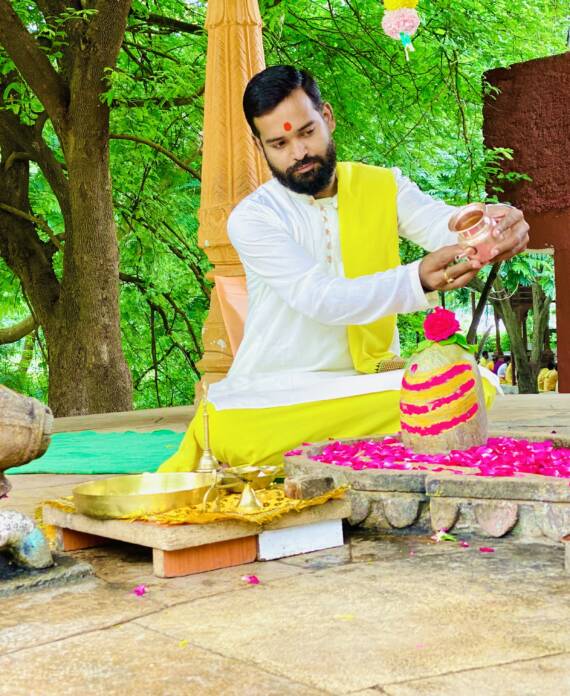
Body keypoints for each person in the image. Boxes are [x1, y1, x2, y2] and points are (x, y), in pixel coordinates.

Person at [160, 66, 529, 472]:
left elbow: (440, 223)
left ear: (328, 118)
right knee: (232, 430)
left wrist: (488, 224)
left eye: (306, 132)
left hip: (364, 385)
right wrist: (417, 277)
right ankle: (384, 447)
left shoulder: (380, 187)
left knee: (473, 383)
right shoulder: (254, 218)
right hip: (274, 397)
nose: (298, 152)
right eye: (279, 143)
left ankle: (344, 452)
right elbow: (321, 297)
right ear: (259, 145)